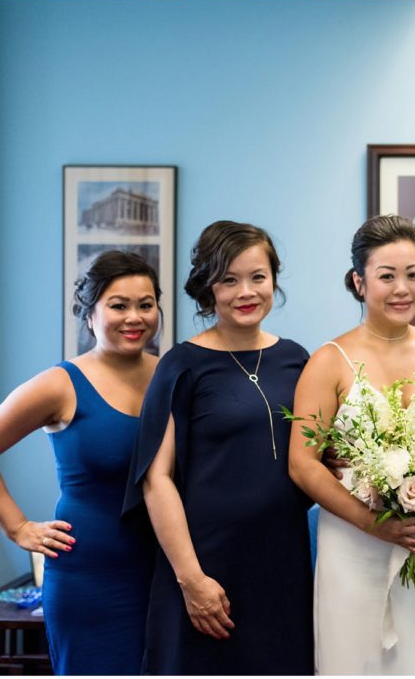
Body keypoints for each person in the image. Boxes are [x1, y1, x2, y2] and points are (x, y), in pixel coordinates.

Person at [0, 251, 161, 674]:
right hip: (89, 576)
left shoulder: (171, 375)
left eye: (146, 304)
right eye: (118, 305)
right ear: (89, 316)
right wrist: (18, 527)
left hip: (161, 571)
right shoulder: (59, 384)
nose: (134, 317)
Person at [125, 221, 314, 674]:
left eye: (257, 277)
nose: (245, 292)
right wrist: (192, 580)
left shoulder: (297, 358)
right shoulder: (182, 364)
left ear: (274, 281)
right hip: (206, 563)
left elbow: (314, 456)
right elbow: (156, 479)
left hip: (283, 562)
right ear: (208, 287)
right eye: (228, 280)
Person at [289, 215, 415, 674]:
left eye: (413, 274)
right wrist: (373, 523)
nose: (403, 288)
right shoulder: (328, 360)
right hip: (354, 544)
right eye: (386, 276)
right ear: (360, 282)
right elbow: (303, 465)